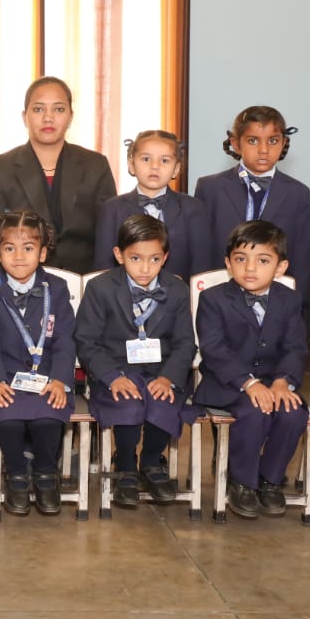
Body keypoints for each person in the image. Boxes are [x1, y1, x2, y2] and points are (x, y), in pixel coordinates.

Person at [76, 214, 197, 508]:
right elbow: (86, 341)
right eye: (135, 258)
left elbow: (185, 342)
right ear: (119, 255)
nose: (145, 268)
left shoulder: (177, 289)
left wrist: (168, 377)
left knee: (162, 400)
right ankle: (125, 464)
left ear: (165, 257)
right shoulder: (100, 288)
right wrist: (112, 377)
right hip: (116, 371)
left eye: (154, 259)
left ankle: (152, 461)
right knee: (128, 401)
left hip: (162, 371)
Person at [194, 221, 309, 519]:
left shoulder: (289, 299)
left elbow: (295, 347)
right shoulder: (213, 299)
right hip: (227, 384)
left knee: (293, 412)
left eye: (263, 260)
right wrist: (248, 383)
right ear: (228, 263)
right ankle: (242, 480)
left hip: (273, 381)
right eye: (241, 259)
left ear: (281, 267)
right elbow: (214, 349)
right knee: (254, 411)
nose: (250, 268)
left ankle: (270, 479)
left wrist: (283, 382)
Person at [0, 211, 77, 516]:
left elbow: (66, 339)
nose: (19, 257)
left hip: (48, 377)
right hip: (3, 376)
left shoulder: (56, 287)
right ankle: (16, 474)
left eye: (28, 248)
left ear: (42, 253)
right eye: (9, 248)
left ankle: (46, 474)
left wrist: (60, 380)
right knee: (9, 418)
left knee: (48, 417)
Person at [0, 76, 116, 274]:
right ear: (24, 116)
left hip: (85, 281)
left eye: (59, 109)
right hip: (20, 280)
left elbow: (108, 236)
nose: (48, 118)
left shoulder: (95, 165)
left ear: (71, 116)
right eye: (38, 109)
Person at [194, 106, 310, 306]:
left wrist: (300, 307)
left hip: (276, 301)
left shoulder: (298, 193)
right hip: (220, 299)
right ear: (235, 144)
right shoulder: (210, 188)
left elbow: (303, 260)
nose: (264, 149)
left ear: (284, 143)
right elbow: (201, 252)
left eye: (273, 141)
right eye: (253, 141)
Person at [95, 130, 211, 281]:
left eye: (164, 161)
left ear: (176, 169)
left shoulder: (193, 209)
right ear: (131, 164)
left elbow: (201, 267)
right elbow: (104, 266)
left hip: (179, 294)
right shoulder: (112, 209)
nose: (155, 166)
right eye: (146, 159)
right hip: (122, 294)